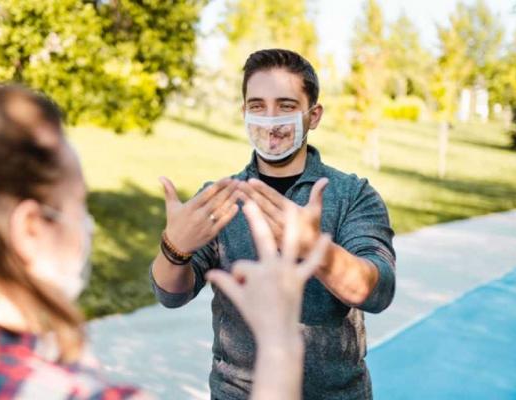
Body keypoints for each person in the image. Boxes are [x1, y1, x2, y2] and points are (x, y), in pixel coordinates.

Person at [0, 72, 330, 399]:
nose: (87, 225)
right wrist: (278, 342)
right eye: (77, 205)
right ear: (31, 230)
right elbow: (169, 292)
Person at [150, 48, 397, 399]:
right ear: (244, 113)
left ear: (313, 116)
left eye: (285, 106)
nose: (271, 120)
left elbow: (378, 291)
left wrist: (315, 249)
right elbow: (170, 295)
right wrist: (174, 248)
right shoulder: (219, 198)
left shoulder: (352, 194)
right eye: (257, 106)